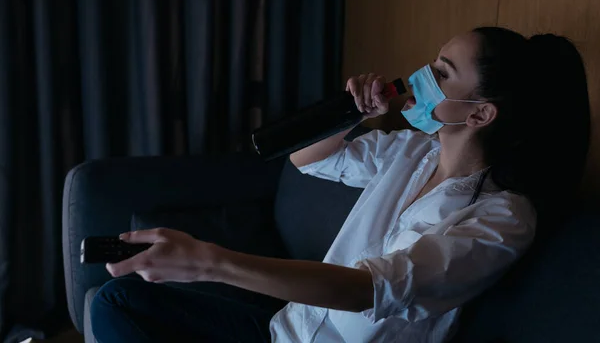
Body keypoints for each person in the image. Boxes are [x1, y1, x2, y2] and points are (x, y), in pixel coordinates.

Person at [90, 26, 590, 342]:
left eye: (441, 72)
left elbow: (368, 290)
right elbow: (307, 162)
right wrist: (352, 114)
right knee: (117, 301)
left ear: (480, 113)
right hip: (288, 328)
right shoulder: (412, 151)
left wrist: (209, 262)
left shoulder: (501, 219)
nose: (420, 74)